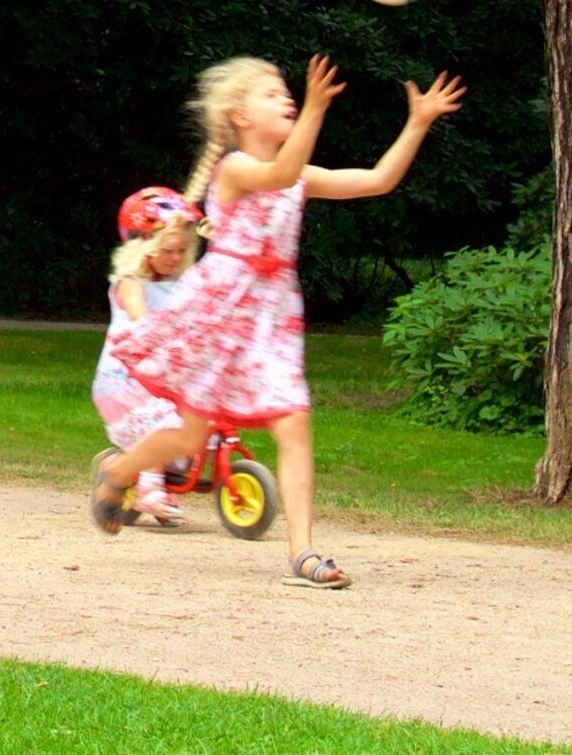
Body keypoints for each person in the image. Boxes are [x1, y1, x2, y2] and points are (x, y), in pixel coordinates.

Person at [93, 54, 466, 587]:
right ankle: (120, 470)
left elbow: (379, 180)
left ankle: (303, 552)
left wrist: (418, 123)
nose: (286, 98)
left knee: (293, 422)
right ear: (241, 118)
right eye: (271, 94)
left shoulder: (299, 176)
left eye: (286, 94)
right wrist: (315, 109)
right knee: (190, 437)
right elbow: (281, 172)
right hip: (221, 314)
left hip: (271, 318)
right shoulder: (236, 169)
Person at [93, 187, 202, 527]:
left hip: (161, 381)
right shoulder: (131, 284)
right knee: (165, 426)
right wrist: (159, 332)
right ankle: (149, 487)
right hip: (123, 382)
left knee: (201, 429)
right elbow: (142, 319)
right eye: (167, 250)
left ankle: (135, 469)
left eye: (182, 250)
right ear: (143, 247)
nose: (175, 257)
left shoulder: (181, 284)